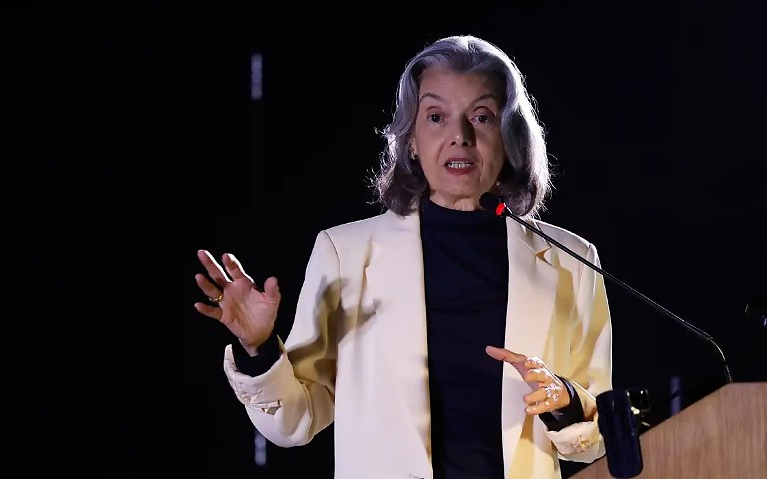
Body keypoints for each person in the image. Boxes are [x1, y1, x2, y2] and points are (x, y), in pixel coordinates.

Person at [194, 34, 613, 479]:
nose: (460, 136)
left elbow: (592, 442)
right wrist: (258, 349)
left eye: (482, 117)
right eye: (436, 116)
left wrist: (567, 400)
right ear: (410, 138)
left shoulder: (572, 263)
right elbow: (295, 421)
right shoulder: (345, 254)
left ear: (509, 137)